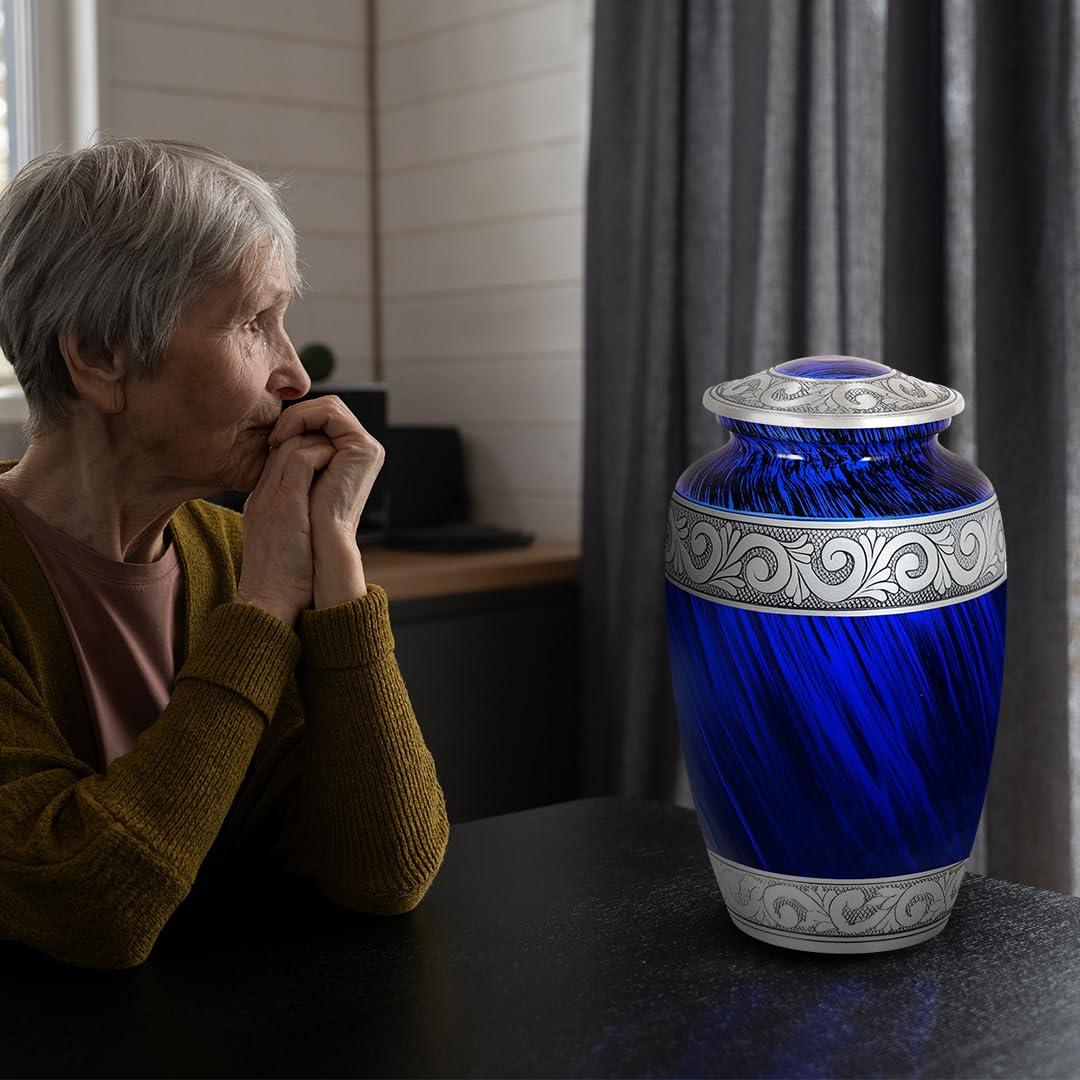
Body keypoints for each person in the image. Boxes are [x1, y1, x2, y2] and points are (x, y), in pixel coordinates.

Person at [0, 135, 449, 970]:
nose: (293, 378)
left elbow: (387, 871)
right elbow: (91, 906)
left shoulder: (240, 553)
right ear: (98, 357)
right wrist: (266, 606)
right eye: (253, 322)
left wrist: (335, 573)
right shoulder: (255, 582)